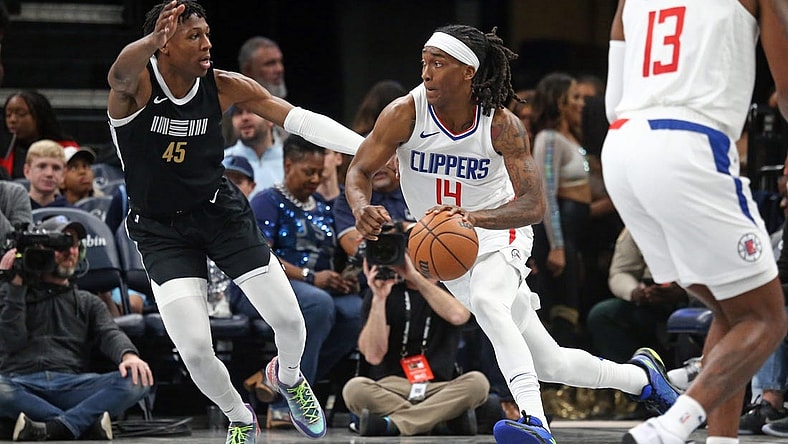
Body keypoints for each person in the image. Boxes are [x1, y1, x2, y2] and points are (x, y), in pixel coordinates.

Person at [344, 24, 681, 444]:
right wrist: (361, 207)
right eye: (424, 63)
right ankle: (641, 379)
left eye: (438, 63)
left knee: (488, 302)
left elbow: (533, 206)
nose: (426, 73)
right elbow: (358, 171)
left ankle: (534, 421)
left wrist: (473, 218)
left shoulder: (502, 125)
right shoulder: (404, 113)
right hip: (450, 246)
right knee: (549, 362)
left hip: (500, 229)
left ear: (468, 71)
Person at [105, 1, 363, 441]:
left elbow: (298, 119)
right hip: (161, 229)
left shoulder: (223, 86)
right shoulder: (137, 89)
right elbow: (117, 75)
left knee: (291, 321)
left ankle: (289, 376)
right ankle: (240, 417)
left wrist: (368, 146)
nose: (207, 44)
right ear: (164, 44)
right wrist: (149, 40)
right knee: (195, 349)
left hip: (219, 213)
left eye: (207, 33)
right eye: (194, 36)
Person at [601, 1, 788, 443]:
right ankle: (670, 426)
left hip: (622, 146)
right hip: (689, 144)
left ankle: (721, 440)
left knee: (731, 308)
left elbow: (612, 99)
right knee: (767, 319)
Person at [242, 135, 360, 428]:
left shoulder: (321, 204)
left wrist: (341, 279)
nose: (316, 178)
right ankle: (286, 402)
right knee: (318, 305)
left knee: (357, 311)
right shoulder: (266, 201)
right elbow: (259, 255)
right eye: (309, 171)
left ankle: (276, 376)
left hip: (313, 288)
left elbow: (329, 256)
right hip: (263, 287)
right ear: (288, 164)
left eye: (320, 172)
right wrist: (309, 277)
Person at [0, 216, 152, 441]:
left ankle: (53, 426)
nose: (69, 252)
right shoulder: (12, 293)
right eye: (61, 245)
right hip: (21, 383)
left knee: (138, 378)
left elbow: (109, 333)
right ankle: (83, 423)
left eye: (74, 245)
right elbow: (12, 342)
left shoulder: (88, 301)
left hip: (74, 386)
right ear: (39, 251)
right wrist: (14, 288)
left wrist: (128, 356)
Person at [342, 253, 489, 437]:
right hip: (391, 387)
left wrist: (415, 277)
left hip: (438, 387)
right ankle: (439, 420)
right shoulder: (385, 288)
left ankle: (394, 424)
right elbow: (373, 355)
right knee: (354, 389)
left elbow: (458, 316)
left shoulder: (450, 287)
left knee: (478, 383)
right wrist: (379, 298)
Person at [530, 72, 591, 347]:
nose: (582, 103)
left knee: (573, 303)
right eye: (575, 97)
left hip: (574, 234)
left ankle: (568, 382)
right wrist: (557, 245)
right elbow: (547, 195)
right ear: (559, 102)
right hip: (557, 235)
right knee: (559, 306)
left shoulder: (571, 138)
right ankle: (550, 384)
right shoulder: (549, 138)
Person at [586, 228, 688, 364]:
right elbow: (620, 271)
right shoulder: (636, 223)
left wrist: (686, 292)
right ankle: (632, 378)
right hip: (650, 296)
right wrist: (634, 292)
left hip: (696, 297)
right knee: (602, 314)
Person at [0, 90, 78, 179]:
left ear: (39, 117)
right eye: (8, 115)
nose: (12, 120)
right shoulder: (5, 152)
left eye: (21, 114)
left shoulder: (66, 149)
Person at [223, 104, 283, 197]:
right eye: (238, 113)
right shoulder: (220, 161)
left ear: (270, 119)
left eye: (252, 111)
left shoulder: (291, 162)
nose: (244, 118)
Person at [24, 140, 71, 210]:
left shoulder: (74, 215)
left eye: (56, 168)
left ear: (63, 175)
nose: (49, 174)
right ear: (27, 171)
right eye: (42, 166)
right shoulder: (11, 212)